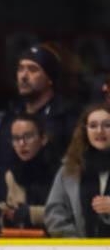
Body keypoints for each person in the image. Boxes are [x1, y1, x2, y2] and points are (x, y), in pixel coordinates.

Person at [0, 44, 78, 235]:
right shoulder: (12, 114)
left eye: (32, 69)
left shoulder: (67, 117)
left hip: (55, 220)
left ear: (50, 78)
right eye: (20, 69)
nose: (23, 75)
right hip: (11, 222)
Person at [45, 102, 110, 237]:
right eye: (93, 126)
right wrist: (78, 247)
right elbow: (54, 213)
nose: (99, 131)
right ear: (85, 131)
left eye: (107, 125)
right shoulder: (70, 169)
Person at [0, 114, 58, 236]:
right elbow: (10, 213)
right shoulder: (12, 174)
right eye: (16, 138)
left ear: (43, 138)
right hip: (24, 243)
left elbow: (67, 213)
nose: (21, 143)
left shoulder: (61, 172)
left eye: (28, 137)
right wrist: (7, 217)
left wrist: (30, 214)